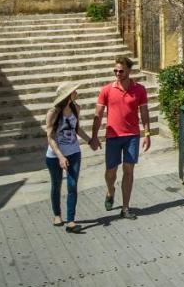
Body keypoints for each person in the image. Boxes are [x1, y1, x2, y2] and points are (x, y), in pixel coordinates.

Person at [92, 56, 151, 219]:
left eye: (121, 71)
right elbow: (98, 114)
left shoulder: (139, 89)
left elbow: (144, 113)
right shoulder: (106, 90)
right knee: (110, 171)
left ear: (129, 71)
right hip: (113, 136)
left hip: (132, 135)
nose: (117, 73)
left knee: (128, 170)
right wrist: (94, 136)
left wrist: (147, 133)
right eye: (115, 70)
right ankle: (110, 190)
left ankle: (125, 208)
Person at [45, 81, 95, 233]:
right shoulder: (53, 112)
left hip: (74, 152)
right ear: (67, 95)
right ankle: (57, 215)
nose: (76, 92)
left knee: (72, 185)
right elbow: (50, 137)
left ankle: (71, 221)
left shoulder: (76, 108)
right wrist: (60, 156)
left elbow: (77, 128)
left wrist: (90, 140)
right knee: (56, 184)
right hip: (54, 156)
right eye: (74, 91)